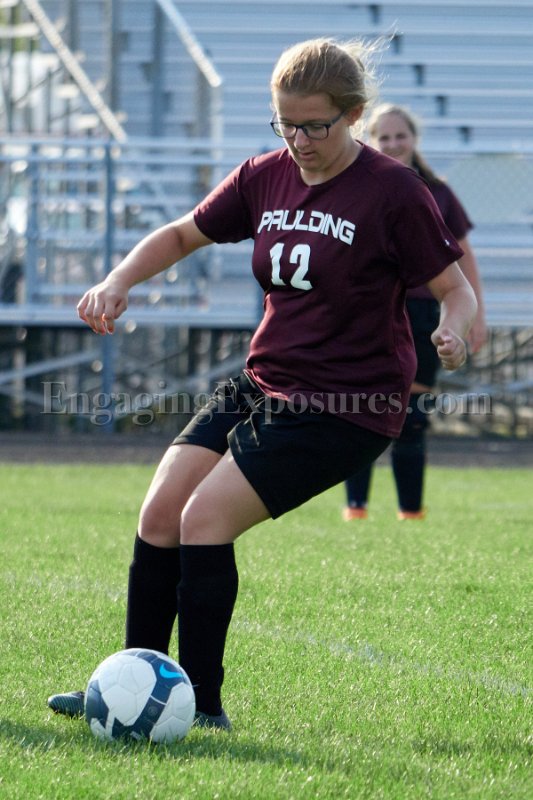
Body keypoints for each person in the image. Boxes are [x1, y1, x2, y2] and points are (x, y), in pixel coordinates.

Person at [47, 39, 477, 730]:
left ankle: (201, 707)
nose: (298, 141)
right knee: (159, 515)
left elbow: (454, 289)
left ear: (354, 116)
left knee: (203, 520)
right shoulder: (264, 175)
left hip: (347, 403)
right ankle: (128, 687)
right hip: (263, 379)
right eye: (285, 124)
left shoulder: (394, 191)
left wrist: (453, 331)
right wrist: (117, 280)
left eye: (315, 126)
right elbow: (182, 234)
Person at [343, 103, 487, 522]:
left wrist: (476, 315)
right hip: (369, 311)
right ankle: (356, 509)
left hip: (422, 312)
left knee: (412, 416)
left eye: (399, 135)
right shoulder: (354, 187)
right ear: (370, 140)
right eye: (384, 137)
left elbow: (464, 257)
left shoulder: (438, 191)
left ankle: (411, 512)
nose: (392, 143)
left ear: (414, 138)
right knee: (360, 409)